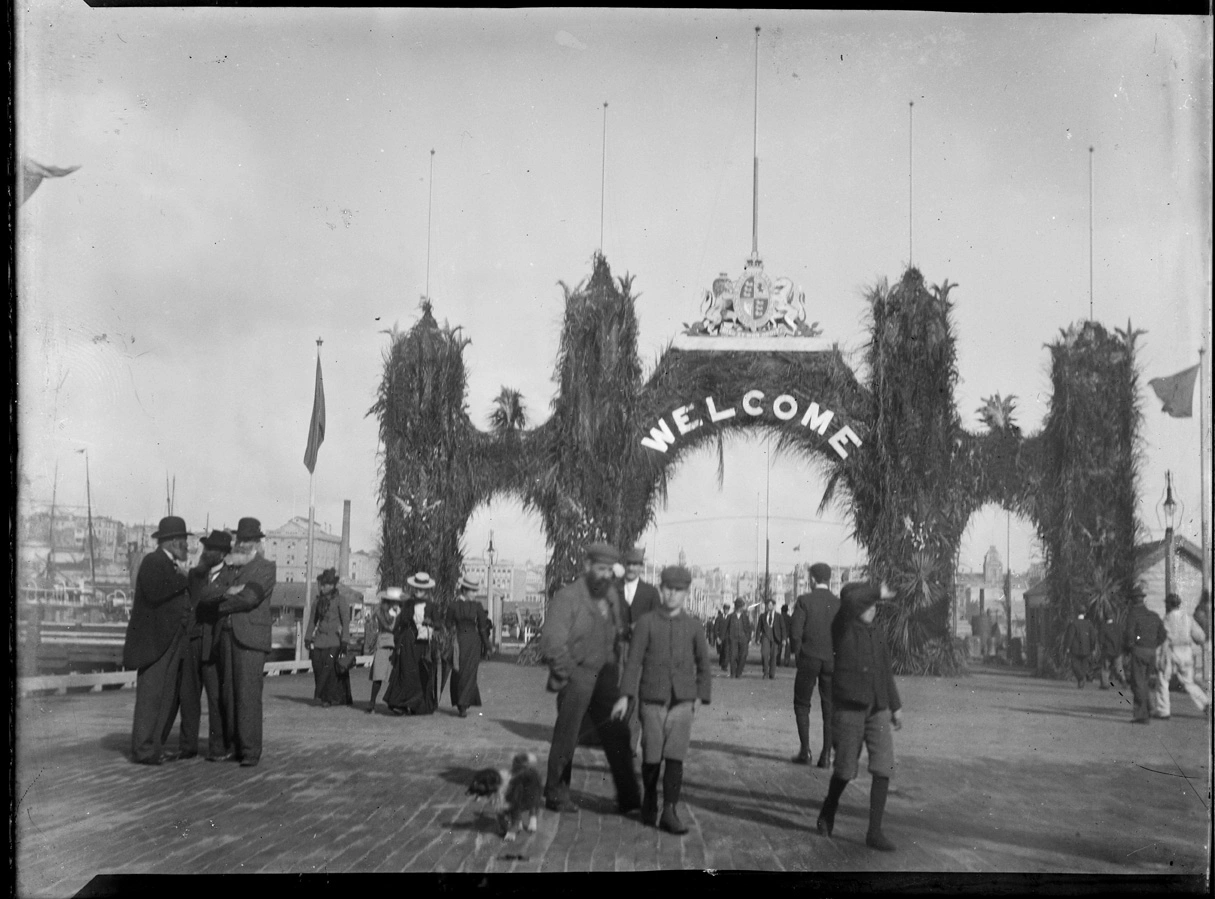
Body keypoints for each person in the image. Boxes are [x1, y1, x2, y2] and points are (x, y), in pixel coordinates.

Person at [539, 542, 640, 815]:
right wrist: (569, 673)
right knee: (567, 736)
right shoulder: (567, 598)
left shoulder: (611, 596)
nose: (606, 575)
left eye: (610, 569)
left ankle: (630, 799)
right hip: (577, 674)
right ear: (587, 566)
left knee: (618, 734)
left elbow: (618, 632)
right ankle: (556, 794)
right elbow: (551, 642)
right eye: (601, 568)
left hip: (605, 675)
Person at [613, 566, 712, 834]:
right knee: (653, 752)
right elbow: (633, 662)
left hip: (682, 702)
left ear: (686, 593)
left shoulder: (693, 626)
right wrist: (625, 696)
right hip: (652, 699)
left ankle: (670, 810)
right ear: (661, 589)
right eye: (668, 589)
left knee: (675, 755)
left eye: (678, 590)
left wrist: (701, 697)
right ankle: (649, 801)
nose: (672, 595)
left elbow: (704, 664)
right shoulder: (646, 623)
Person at [816, 582, 903, 852]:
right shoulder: (842, 626)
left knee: (883, 765)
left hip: (877, 706)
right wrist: (877, 590)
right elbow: (852, 602)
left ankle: (874, 832)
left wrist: (896, 706)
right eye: (868, 604)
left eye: (875, 605)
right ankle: (829, 809)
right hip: (849, 707)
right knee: (845, 769)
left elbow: (885, 671)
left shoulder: (876, 633)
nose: (873, 609)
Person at [202, 517, 277, 767]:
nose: (241, 544)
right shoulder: (231, 567)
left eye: (247, 540)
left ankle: (250, 750)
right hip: (226, 636)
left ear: (256, 543)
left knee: (248, 694)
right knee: (228, 695)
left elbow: (249, 598)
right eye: (239, 539)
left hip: (251, 639)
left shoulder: (266, 567)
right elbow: (207, 595)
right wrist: (229, 590)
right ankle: (236, 746)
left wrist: (231, 594)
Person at [122, 516, 192, 765]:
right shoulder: (153, 561)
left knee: (165, 695)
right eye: (183, 541)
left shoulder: (171, 565)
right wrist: (186, 579)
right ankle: (143, 750)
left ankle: (154, 748)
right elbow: (155, 590)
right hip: (154, 643)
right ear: (173, 542)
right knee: (151, 696)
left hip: (171, 639)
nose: (186, 545)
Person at [172, 529, 232, 760]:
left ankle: (218, 748)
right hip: (192, 641)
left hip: (213, 643)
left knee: (215, 698)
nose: (206, 552)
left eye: (211, 549)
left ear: (222, 554)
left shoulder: (230, 577)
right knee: (188, 696)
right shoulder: (196, 576)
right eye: (206, 548)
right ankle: (187, 746)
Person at [790, 562, 839, 767]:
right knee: (829, 707)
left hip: (808, 659)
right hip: (831, 661)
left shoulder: (804, 601)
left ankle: (805, 751)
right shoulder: (838, 603)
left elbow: (795, 633)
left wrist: (800, 655)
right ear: (828, 579)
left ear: (811, 579)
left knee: (802, 704)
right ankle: (826, 755)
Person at [618, 546, 661, 752]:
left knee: (633, 694)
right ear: (624, 566)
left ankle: (629, 743)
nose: (632, 568)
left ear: (641, 567)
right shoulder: (613, 589)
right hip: (616, 649)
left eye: (636, 564)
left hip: (639, 652)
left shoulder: (650, 592)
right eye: (629, 564)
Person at [385, 572, 440, 715]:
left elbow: (439, 624)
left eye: (421, 589)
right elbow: (400, 622)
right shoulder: (408, 604)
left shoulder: (432, 606)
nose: (418, 591)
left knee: (420, 674)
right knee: (406, 672)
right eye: (416, 588)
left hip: (423, 644)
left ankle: (417, 705)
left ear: (426, 590)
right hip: (409, 641)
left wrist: (431, 623)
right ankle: (401, 704)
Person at [1153, 593, 1210, 719]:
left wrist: (1158, 656)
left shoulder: (1167, 619)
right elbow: (1199, 636)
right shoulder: (1187, 617)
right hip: (1186, 651)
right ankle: (1206, 703)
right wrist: (1202, 642)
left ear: (1169, 604)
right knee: (1189, 682)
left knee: (1163, 679)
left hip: (1171, 650)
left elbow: (1162, 638)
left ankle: (1163, 710)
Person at [305, 567, 352, 708]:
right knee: (318, 667)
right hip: (319, 641)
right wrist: (307, 637)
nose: (323, 587)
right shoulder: (317, 601)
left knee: (329, 668)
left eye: (325, 584)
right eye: (322, 584)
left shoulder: (340, 600)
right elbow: (313, 620)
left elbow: (345, 620)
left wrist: (345, 640)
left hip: (334, 641)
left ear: (332, 585)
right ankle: (323, 695)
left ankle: (325, 697)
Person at [448, 575, 492, 717]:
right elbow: (448, 625)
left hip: (470, 641)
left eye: (475, 591)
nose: (474, 594)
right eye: (472, 591)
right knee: (461, 672)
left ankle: (463, 705)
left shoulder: (470, 606)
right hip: (463, 641)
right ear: (464, 590)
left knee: (468, 673)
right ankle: (462, 704)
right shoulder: (458, 605)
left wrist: (487, 645)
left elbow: (483, 627)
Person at [1123, 584, 1166, 724]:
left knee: (1138, 682)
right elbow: (1163, 634)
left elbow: (1129, 636)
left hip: (1139, 651)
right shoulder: (1154, 616)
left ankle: (1142, 715)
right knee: (1145, 682)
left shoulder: (1133, 615)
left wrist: (1130, 648)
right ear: (1143, 600)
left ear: (1132, 601)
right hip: (1152, 652)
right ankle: (1150, 708)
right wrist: (1154, 644)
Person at [365, 587, 404, 713]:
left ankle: (393, 702)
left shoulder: (401, 611)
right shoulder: (381, 611)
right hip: (384, 643)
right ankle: (372, 702)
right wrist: (397, 615)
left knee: (395, 676)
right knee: (378, 674)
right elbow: (390, 627)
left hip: (397, 645)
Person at [1063, 610, 1097, 689]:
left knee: (1075, 665)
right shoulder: (1089, 624)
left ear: (1077, 613)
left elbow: (1070, 636)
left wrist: (1067, 647)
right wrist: (1093, 648)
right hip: (1086, 648)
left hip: (1075, 649)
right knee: (1084, 666)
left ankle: (1081, 678)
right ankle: (1081, 679)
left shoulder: (1073, 623)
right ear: (1085, 614)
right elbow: (1093, 637)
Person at [756, 598, 785, 680]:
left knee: (773, 656)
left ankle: (772, 673)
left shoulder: (779, 616)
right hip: (765, 637)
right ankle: (765, 672)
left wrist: (784, 639)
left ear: (774, 606)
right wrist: (757, 638)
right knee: (764, 654)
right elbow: (759, 628)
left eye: (771, 605)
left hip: (775, 638)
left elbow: (783, 628)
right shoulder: (762, 616)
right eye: (768, 605)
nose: (769, 607)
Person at [1097, 610, 1126, 690]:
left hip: (1107, 651)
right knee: (1119, 668)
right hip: (1118, 651)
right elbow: (1122, 639)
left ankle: (1105, 684)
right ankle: (1123, 680)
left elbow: (1101, 640)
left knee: (1105, 668)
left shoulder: (1103, 627)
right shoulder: (1118, 627)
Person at [726, 598, 752, 678]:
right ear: (738, 607)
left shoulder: (745, 617)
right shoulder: (730, 616)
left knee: (743, 655)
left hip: (743, 639)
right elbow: (726, 628)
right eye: (741, 606)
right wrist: (726, 638)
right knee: (733, 656)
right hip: (733, 639)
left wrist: (748, 638)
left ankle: (739, 672)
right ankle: (733, 673)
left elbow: (748, 628)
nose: (743, 608)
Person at [713, 604, 731, 672]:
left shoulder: (730, 618)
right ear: (723, 610)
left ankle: (725, 666)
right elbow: (715, 628)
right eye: (725, 609)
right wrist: (717, 638)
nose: (726, 610)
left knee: (726, 651)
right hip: (720, 638)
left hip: (727, 638)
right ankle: (721, 662)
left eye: (727, 609)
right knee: (721, 651)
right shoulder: (719, 618)